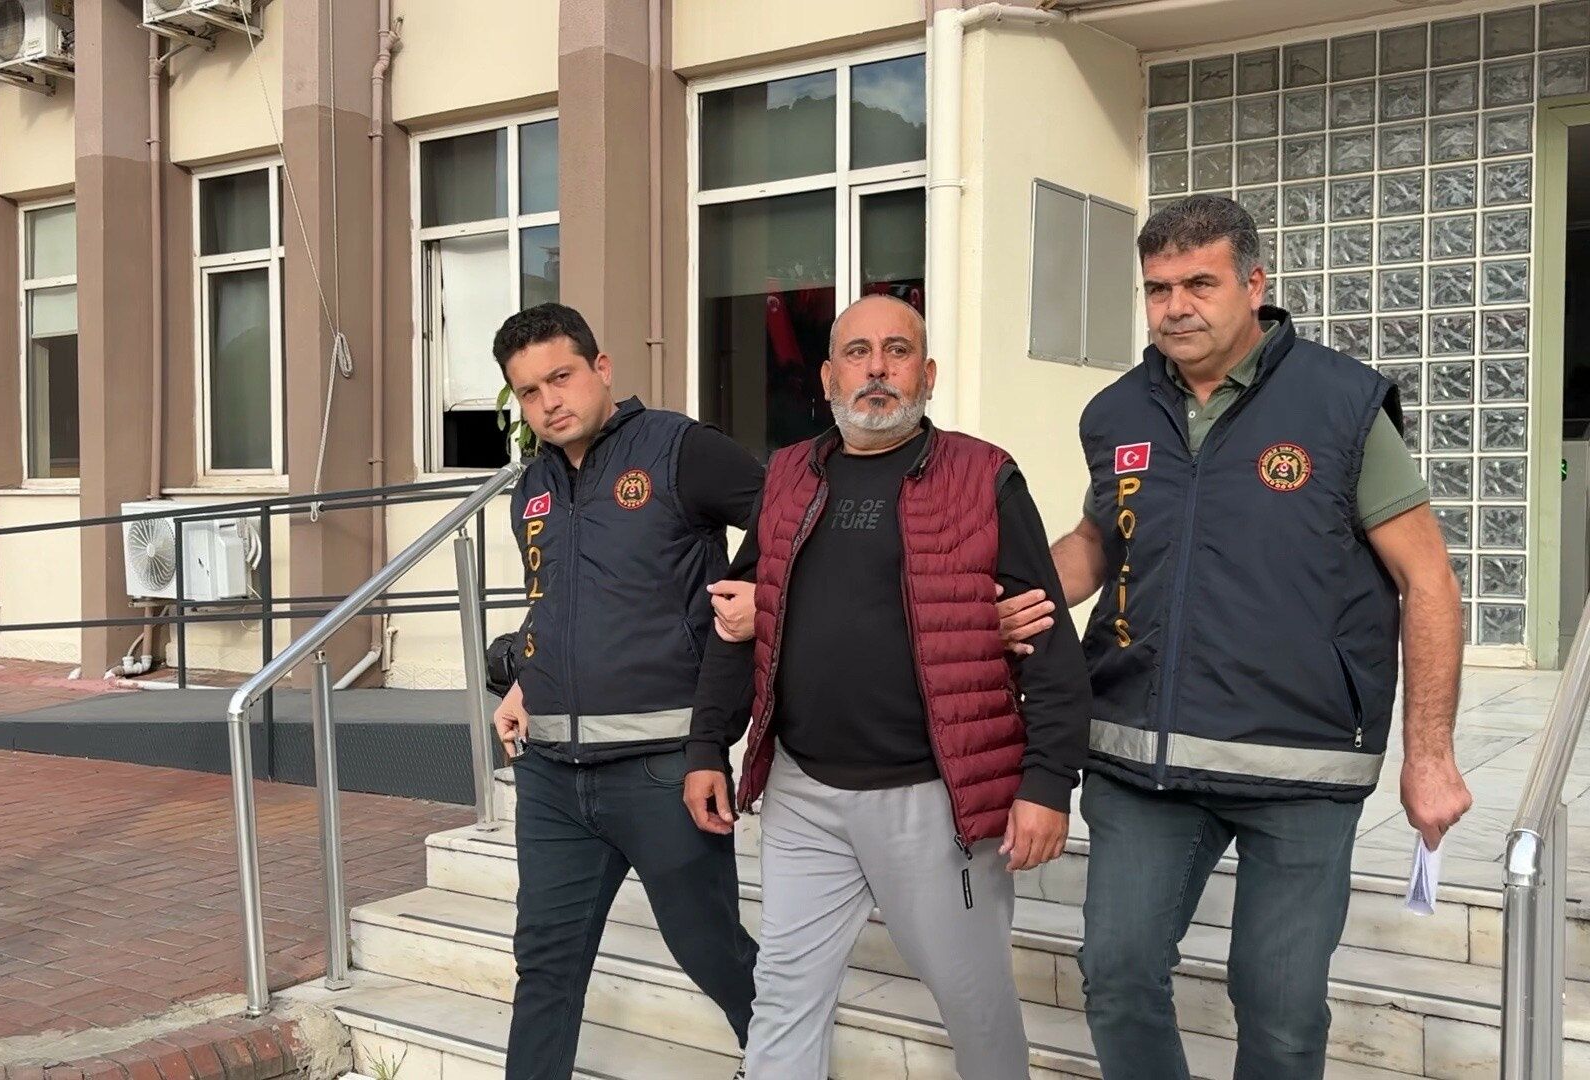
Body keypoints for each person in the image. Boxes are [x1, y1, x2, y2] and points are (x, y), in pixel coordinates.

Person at [1001, 194, 1472, 1080]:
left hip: (1301, 763)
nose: (1175, 307)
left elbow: (1428, 581)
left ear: (1254, 285)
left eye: (1199, 284)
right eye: (1157, 288)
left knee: (1281, 1012)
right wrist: (1017, 593)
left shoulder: (1340, 404)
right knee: (1117, 975)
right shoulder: (1117, 412)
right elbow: (1103, 538)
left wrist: (1431, 755)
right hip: (1140, 754)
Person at [685, 294, 1091, 1080]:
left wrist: (1048, 780)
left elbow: (1047, 638)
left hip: (935, 800)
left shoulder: (984, 476)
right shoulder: (788, 476)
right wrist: (708, 744)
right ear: (827, 377)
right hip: (804, 794)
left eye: (897, 352)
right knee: (783, 997)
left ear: (927, 374)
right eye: (858, 352)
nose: (877, 369)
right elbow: (742, 616)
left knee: (975, 1003)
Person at [488, 303, 760, 1080]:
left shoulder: (678, 449)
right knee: (544, 964)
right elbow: (556, 600)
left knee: (710, 948)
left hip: (663, 766)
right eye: (530, 391)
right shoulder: (533, 487)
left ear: (601, 368)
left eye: (562, 377)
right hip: (551, 775)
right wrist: (526, 672)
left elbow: (796, 517)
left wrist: (755, 594)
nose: (549, 401)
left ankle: (787, 1061)